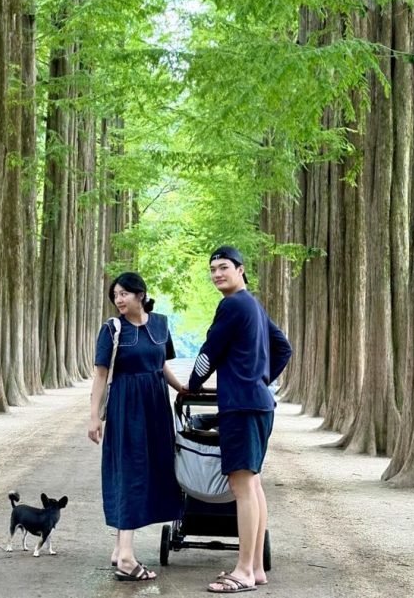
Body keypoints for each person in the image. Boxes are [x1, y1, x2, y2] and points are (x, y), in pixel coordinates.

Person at [187, 245, 292, 594]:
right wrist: (261, 379)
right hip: (260, 404)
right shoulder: (255, 306)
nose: (217, 273)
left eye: (224, 267)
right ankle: (257, 568)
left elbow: (209, 352)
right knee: (254, 484)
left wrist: (190, 387)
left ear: (241, 270)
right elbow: (284, 348)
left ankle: (244, 570)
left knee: (242, 486)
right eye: (213, 269)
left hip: (242, 407)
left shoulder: (233, 305)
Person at [88, 272, 185, 582]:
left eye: (124, 293)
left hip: (156, 406)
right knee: (128, 471)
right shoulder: (112, 329)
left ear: (140, 294)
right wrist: (94, 417)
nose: (119, 299)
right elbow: (101, 375)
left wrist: (181, 387)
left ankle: (119, 549)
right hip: (126, 407)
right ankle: (127, 558)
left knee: (152, 470)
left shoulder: (160, 324)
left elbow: (161, 364)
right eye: (115, 294)